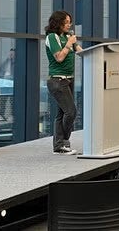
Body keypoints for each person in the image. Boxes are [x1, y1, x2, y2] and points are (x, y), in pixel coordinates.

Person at [44, 10, 82, 155]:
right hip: (57, 80)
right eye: (66, 22)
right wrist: (69, 44)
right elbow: (59, 57)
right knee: (71, 112)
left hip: (69, 79)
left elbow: (80, 51)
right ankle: (64, 141)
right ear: (58, 23)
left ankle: (59, 146)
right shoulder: (52, 37)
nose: (69, 25)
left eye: (69, 22)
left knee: (62, 114)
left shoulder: (67, 37)